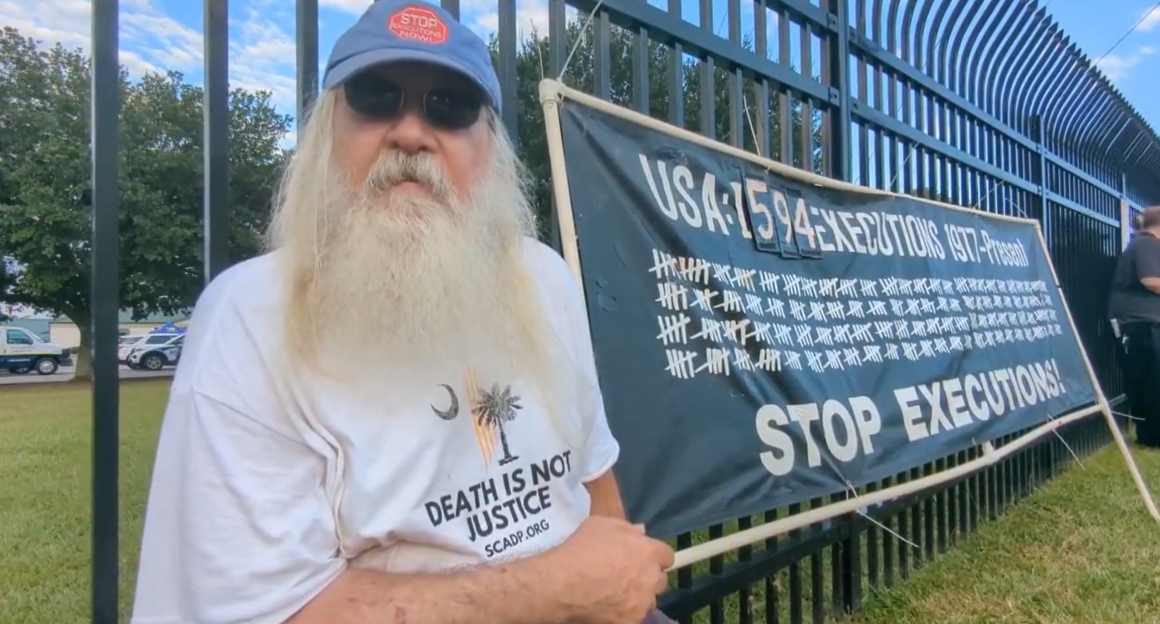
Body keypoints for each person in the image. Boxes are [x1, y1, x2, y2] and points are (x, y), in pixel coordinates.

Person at [129, 2, 676, 623]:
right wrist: (553, 588)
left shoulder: (542, 275)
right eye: (376, 96)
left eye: (450, 107)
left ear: (489, 148)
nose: (412, 131)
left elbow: (592, 473)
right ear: (325, 134)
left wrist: (625, 595)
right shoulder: (250, 319)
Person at [1108, 205, 1160, 449]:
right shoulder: (1147, 244)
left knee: (1149, 382)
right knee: (1151, 383)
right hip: (1142, 326)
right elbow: (1151, 281)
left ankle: (1150, 435)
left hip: (1143, 325)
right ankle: (1152, 437)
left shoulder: (1143, 244)